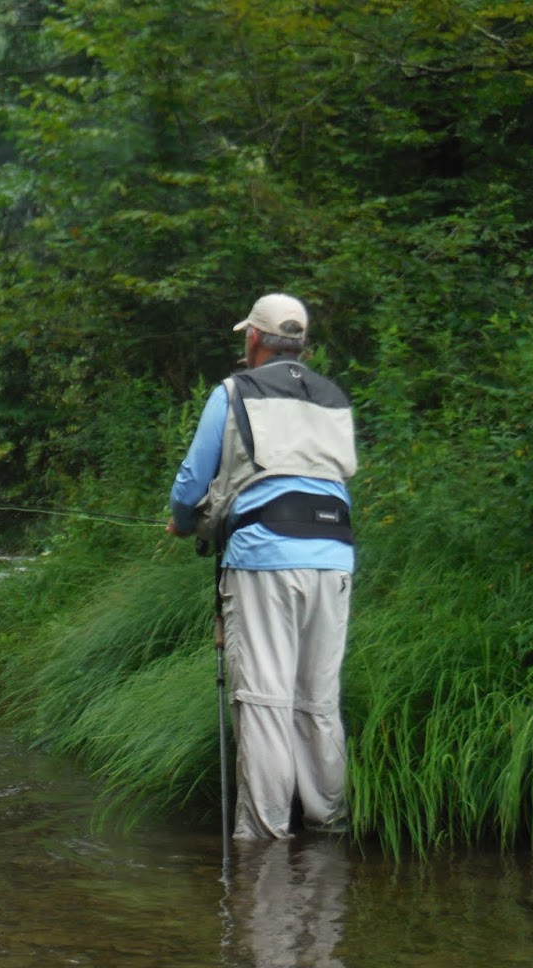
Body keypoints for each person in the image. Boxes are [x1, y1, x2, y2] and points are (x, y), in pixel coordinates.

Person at [165, 294, 357, 839]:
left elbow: (190, 482)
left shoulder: (235, 391)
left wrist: (183, 522)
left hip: (266, 556)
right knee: (318, 700)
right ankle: (329, 825)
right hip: (336, 554)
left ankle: (267, 841)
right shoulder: (333, 397)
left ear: (254, 338)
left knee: (266, 699)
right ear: (302, 344)